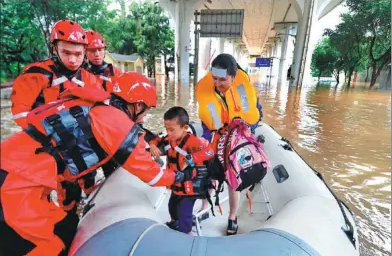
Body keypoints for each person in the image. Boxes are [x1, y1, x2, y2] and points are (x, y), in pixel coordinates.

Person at [0, 72, 208, 256]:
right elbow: (153, 176)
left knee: (66, 226)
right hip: (16, 180)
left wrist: (73, 197)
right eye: (145, 112)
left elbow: (69, 152)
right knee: (48, 246)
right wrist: (182, 176)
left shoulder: (95, 107)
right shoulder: (118, 124)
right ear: (137, 106)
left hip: (20, 166)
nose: (144, 119)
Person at [195, 53, 263, 235]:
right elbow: (206, 121)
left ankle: (232, 217)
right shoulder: (208, 90)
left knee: (234, 182)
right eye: (215, 79)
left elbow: (256, 117)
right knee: (210, 176)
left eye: (223, 80)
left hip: (236, 142)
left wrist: (244, 128)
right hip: (217, 141)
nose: (218, 83)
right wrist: (208, 138)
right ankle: (204, 208)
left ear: (233, 77)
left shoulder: (243, 91)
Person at [10, 20, 102, 129]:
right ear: (55, 49)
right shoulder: (35, 75)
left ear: (85, 52)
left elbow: (100, 109)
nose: (72, 60)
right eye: (66, 53)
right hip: (43, 135)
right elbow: (20, 113)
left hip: (78, 135)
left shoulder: (89, 78)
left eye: (78, 54)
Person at [149, 106, 214, 234]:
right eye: (166, 129)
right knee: (172, 207)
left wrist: (193, 157)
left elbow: (210, 151)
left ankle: (187, 234)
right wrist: (152, 145)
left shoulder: (192, 141)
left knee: (184, 213)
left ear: (184, 128)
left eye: (172, 130)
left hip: (189, 186)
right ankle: (174, 224)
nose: (168, 133)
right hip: (176, 185)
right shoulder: (168, 139)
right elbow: (152, 137)